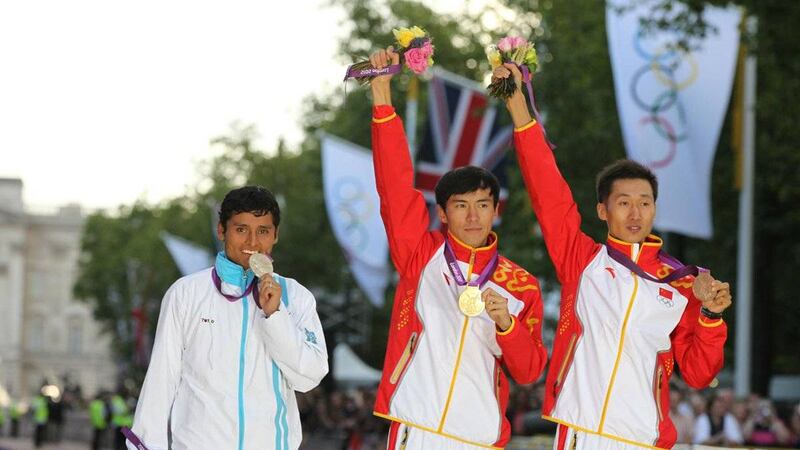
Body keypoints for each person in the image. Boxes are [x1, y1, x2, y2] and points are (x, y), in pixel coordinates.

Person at [494, 63, 733, 450]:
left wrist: (710, 317)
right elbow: (548, 191)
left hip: (643, 438)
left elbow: (698, 374)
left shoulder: (684, 282)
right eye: (623, 203)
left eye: (644, 203)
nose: (635, 214)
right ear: (603, 210)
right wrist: (519, 107)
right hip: (580, 431)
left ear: (655, 209)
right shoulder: (582, 260)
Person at [368, 47, 548, 449]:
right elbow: (395, 188)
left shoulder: (520, 283)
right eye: (461, 206)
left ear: (495, 211)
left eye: (482, 205)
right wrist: (382, 98)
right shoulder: (421, 253)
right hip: (418, 425)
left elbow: (530, 370)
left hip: (479, 437)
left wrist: (507, 325)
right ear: (444, 214)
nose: (472, 216)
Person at [128, 186, 328, 450]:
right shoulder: (186, 294)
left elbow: (309, 377)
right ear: (222, 231)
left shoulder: (296, 297)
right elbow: (161, 381)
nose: (252, 243)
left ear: (276, 236)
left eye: (263, 231)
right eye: (241, 229)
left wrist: (276, 316)